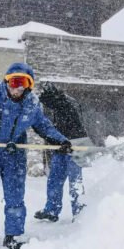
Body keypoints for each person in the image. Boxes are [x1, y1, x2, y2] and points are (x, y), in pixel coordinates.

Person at [0, 63, 73, 249]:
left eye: (23, 83)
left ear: (29, 85)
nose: (17, 88)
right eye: (14, 82)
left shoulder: (32, 104)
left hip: (14, 156)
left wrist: (61, 141)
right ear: (6, 81)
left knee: (15, 198)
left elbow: (44, 126)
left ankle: (13, 235)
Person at [34, 82, 91, 222]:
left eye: (47, 102)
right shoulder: (57, 105)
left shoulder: (68, 104)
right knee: (54, 179)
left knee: (75, 182)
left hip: (76, 145)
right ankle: (51, 210)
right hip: (62, 146)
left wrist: (68, 142)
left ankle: (79, 213)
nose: (47, 106)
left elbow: (74, 125)